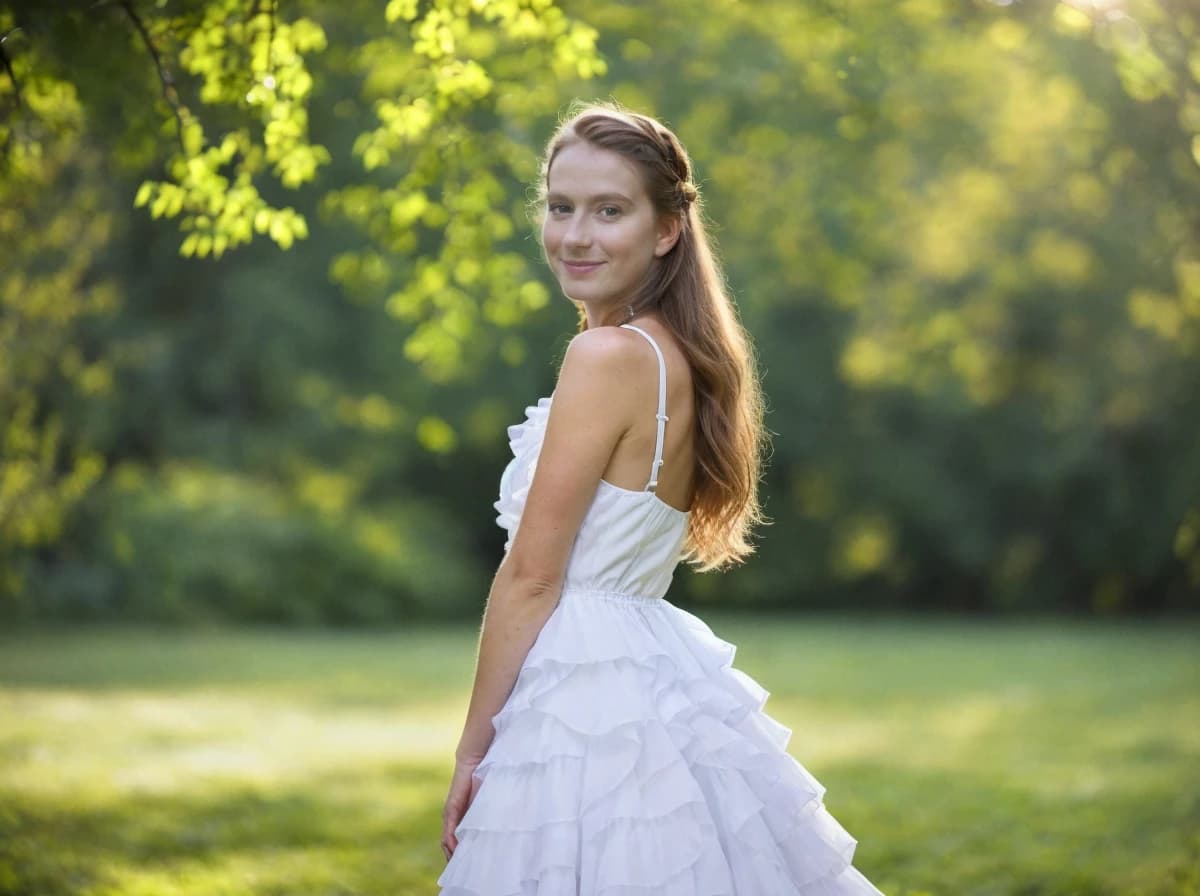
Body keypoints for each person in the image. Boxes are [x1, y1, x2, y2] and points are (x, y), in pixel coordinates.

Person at [437, 102, 886, 895]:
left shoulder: (605, 357)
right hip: (644, 662)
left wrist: (472, 751)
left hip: (580, 688)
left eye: (610, 211)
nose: (575, 235)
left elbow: (533, 576)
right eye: (561, 206)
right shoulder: (676, 356)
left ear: (666, 228)